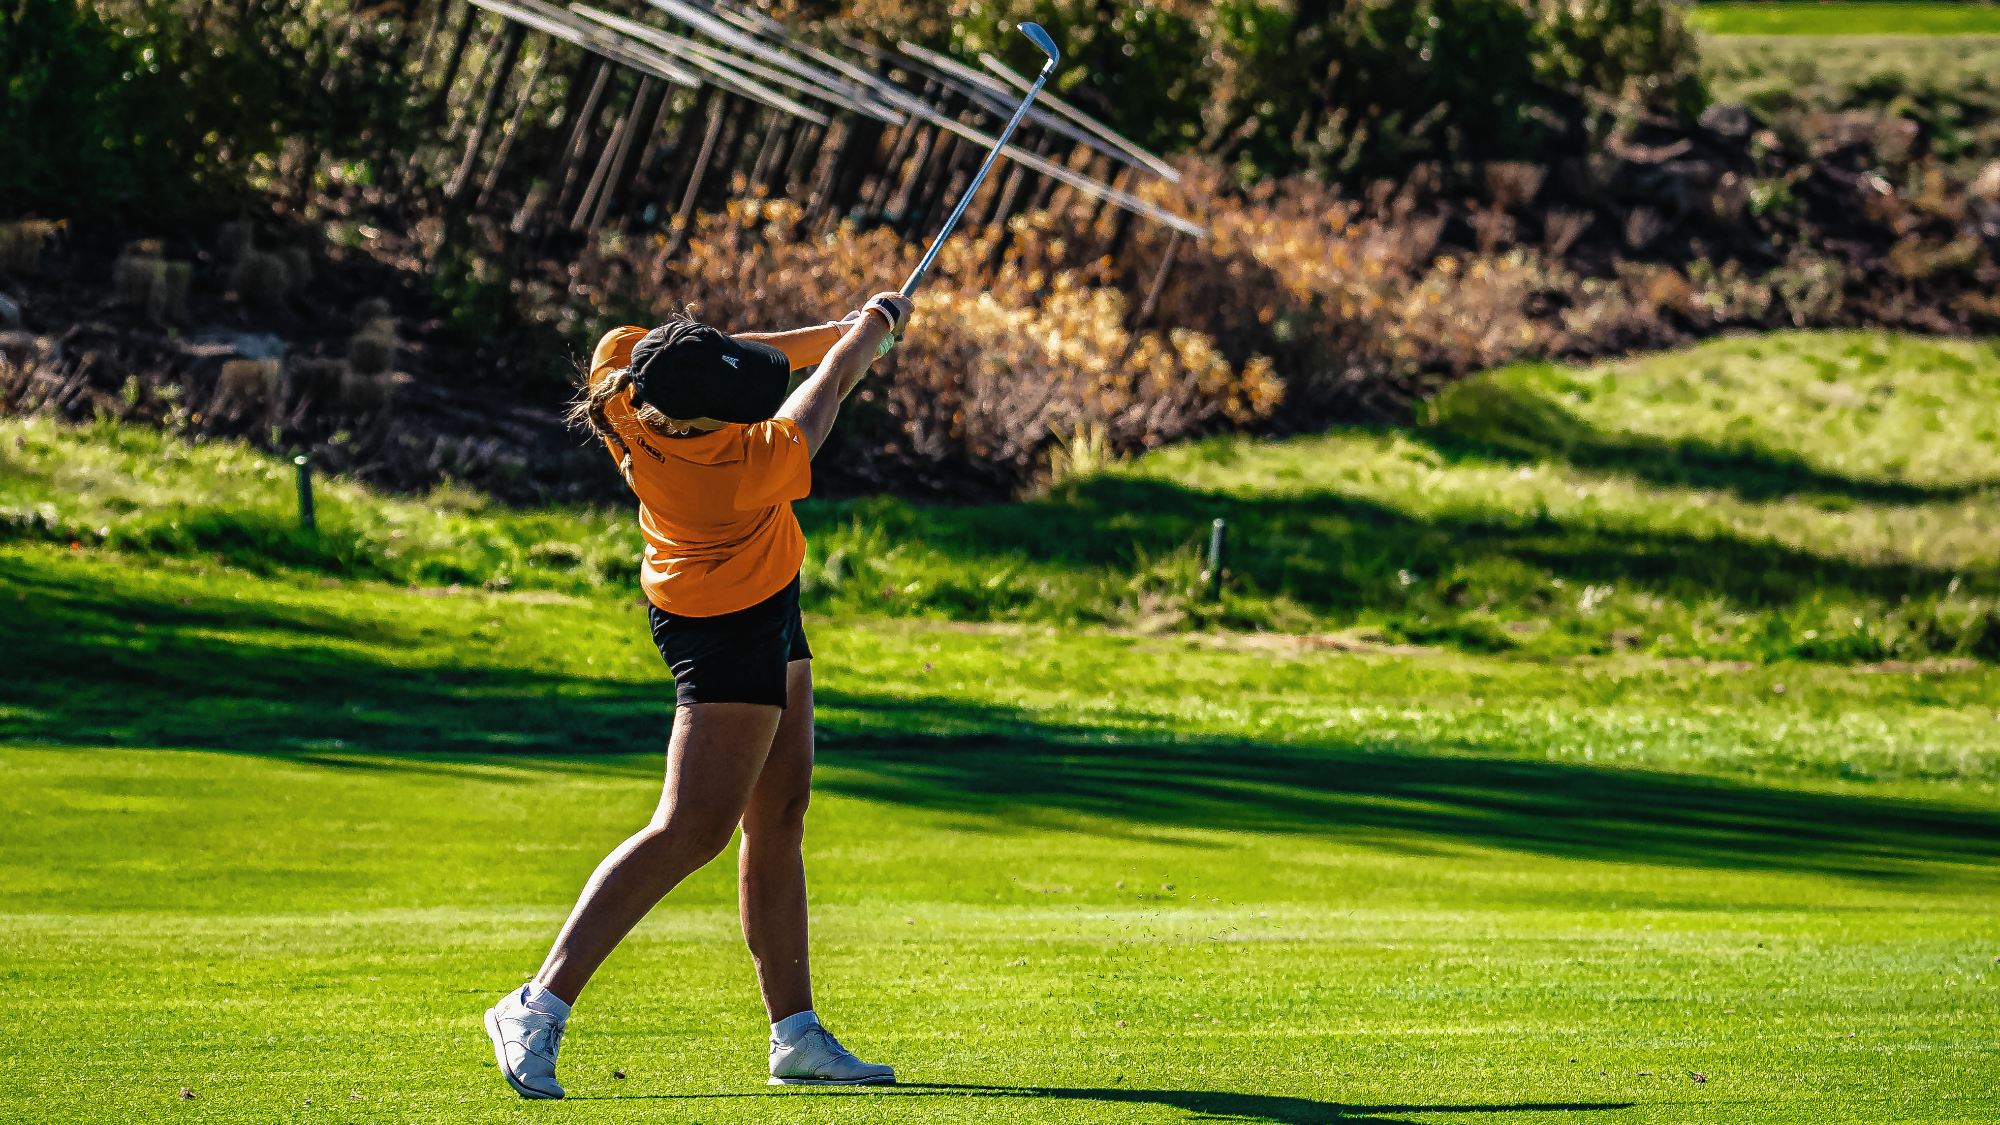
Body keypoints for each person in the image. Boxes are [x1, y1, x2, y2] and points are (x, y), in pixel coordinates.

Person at [482, 291, 915, 1100]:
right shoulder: (740, 467)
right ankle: (535, 1004)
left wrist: (847, 326)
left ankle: (796, 1035)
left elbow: (734, 353)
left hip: (764, 601)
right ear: (696, 424)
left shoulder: (626, 376)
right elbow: (821, 399)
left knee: (780, 812)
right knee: (691, 828)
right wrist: (871, 333)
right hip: (726, 627)